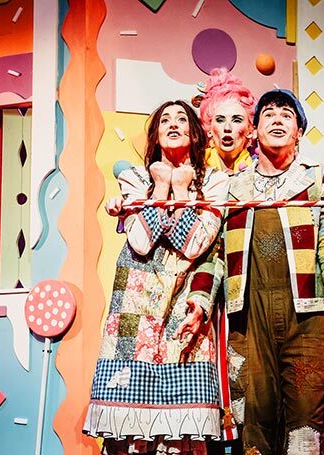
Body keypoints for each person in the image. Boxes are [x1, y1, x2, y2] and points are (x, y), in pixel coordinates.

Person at [195, 89, 324, 455]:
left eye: (287, 114)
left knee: (303, 429)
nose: (278, 119)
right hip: (247, 320)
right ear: (254, 131)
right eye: (268, 114)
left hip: (306, 319)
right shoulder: (232, 187)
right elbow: (214, 253)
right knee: (253, 424)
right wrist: (199, 302)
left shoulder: (318, 182)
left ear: (299, 131)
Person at [83, 100, 229, 455]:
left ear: (196, 133)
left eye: (182, 119)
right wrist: (161, 186)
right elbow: (140, 240)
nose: (174, 124)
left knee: (181, 436)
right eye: (165, 119)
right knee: (130, 438)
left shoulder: (214, 180)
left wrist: (182, 189)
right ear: (155, 133)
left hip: (184, 304)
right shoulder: (135, 177)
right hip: (135, 307)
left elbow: (196, 244)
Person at [199, 67, 257, 175]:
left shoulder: (258, 170)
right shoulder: (195, 167)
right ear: (209, 129)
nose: (227, 128)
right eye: (220, 120)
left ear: (250, 131)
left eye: (237, 120)